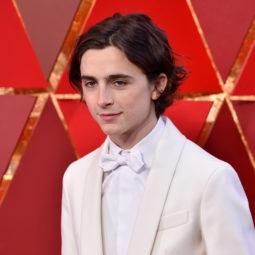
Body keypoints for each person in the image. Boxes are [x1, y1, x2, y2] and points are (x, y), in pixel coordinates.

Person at [61, 13, 255, 255]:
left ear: (158, 85)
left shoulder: (211, 178)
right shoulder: (75, 178)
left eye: (119, 82)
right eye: (91, 84)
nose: (102, 100)